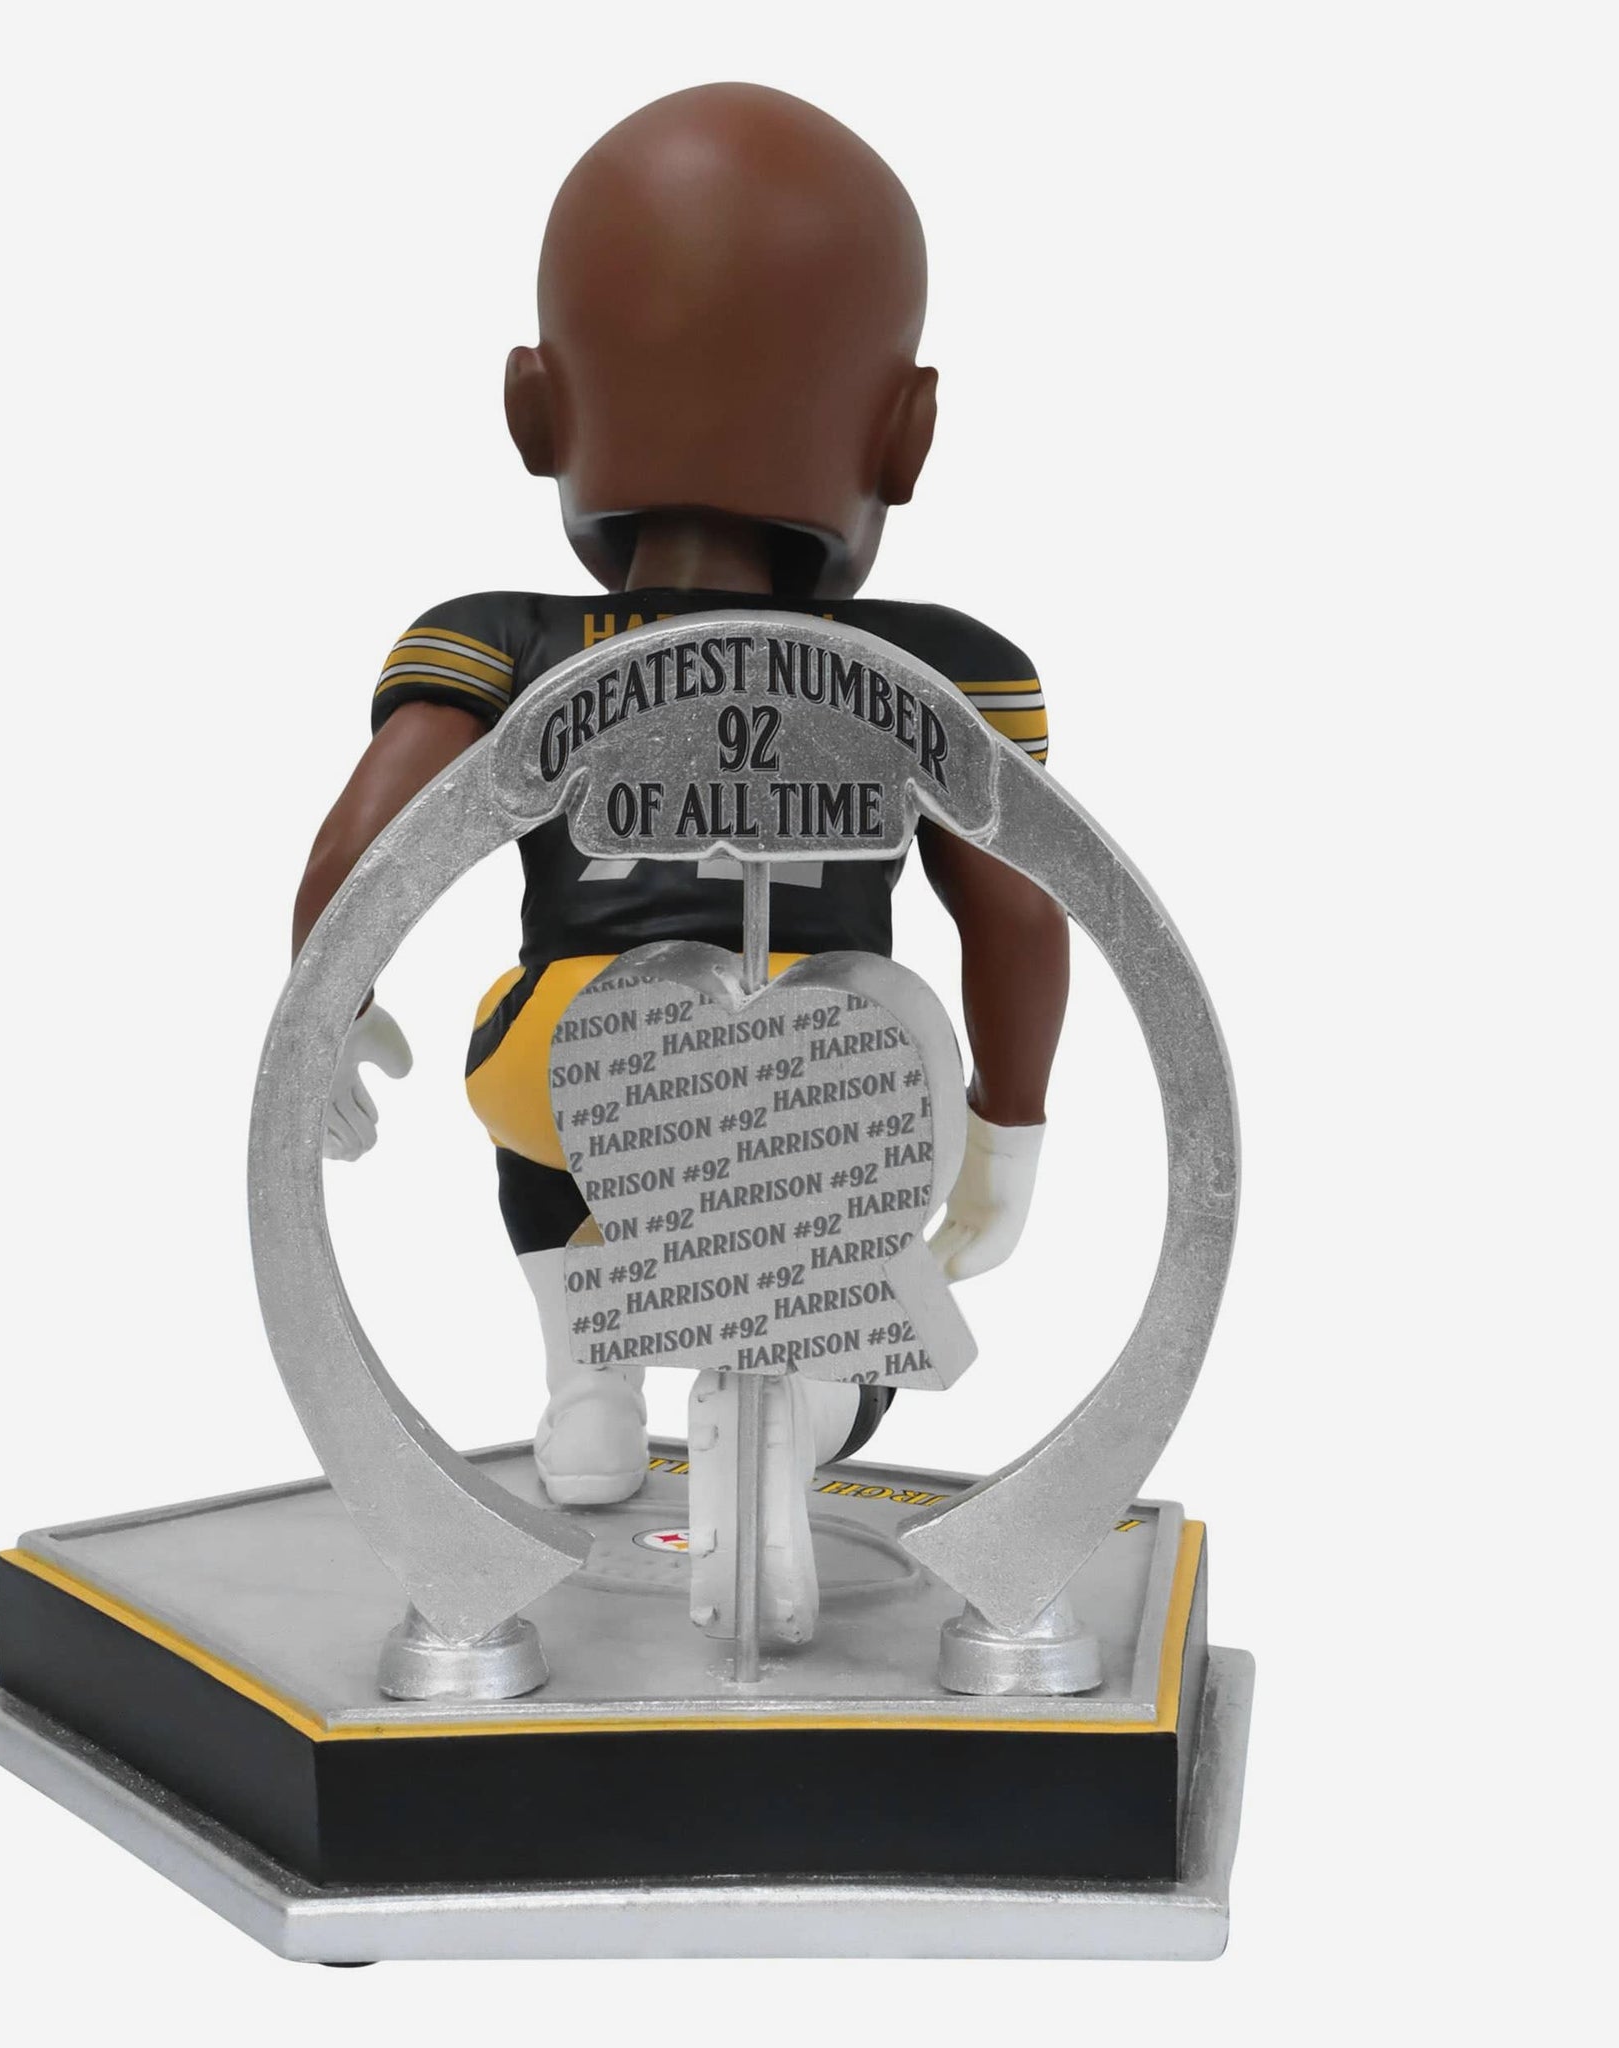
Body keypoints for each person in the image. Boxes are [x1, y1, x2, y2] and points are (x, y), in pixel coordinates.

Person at [291, 84, 1068, 1640]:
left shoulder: (507, 638)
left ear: (533, 408)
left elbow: (368, 842)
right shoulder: (940, 664)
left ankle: (590, 1384)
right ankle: (794, 1398)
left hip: (577, 1054)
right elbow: (1021, 912)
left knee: (555, 1094)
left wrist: (330, 1005)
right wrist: (1008, 1130)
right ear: (905, 433)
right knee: (831, 1195)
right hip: (843, 1067)